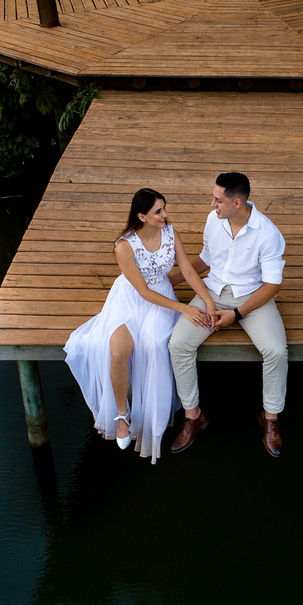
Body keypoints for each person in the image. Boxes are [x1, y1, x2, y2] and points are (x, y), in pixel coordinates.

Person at [64, 188, 215, 464]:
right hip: (131, 299)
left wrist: (207, 302)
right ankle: (122, 415)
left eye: (164, 209)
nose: (164, 215)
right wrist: (184, 308)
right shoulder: (124, 246)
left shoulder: (170, 233)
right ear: (141, 216)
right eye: (158, 211)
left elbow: (189, 270)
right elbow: (143, 292)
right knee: (119, 352)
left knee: (153, 344)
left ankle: (148, 414)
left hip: (162, 300)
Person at [167, 172, 288, 458]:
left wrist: (236, 313)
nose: (212, 205)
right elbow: (206, 258)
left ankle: (270, 418)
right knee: (179, 344)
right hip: (212, 292)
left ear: (237, 202)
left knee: (276, 350)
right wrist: (173, 281)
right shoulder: (215, 220)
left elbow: (272, 286)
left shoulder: (268, 234)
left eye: (218, 200)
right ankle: (193, 414)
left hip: (252, 298)